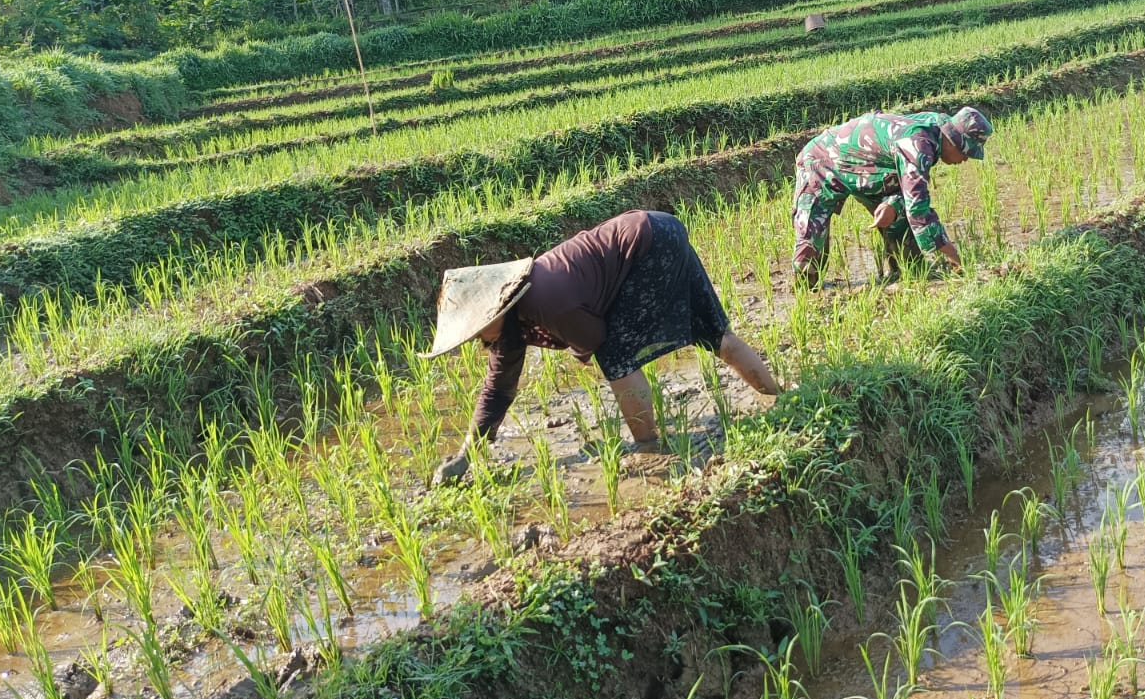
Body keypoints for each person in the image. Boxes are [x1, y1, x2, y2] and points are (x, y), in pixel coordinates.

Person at [423, 209, 779, 484]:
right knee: (714, 334)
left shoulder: (547, 300)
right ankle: (778, 398)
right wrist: (466, 454)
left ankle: (648, 447)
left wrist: (584, 347)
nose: (478, 340)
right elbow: (497, 391)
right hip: (660, 230)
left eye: (477, 329)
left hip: (647, 246)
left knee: (617, 358)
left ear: (495, 308)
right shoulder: (512, 320)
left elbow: (595, 339)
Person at [792, 106, 993, 287]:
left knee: (906, 245)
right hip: (821, 163)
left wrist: (893, 204)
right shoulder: (919, 143)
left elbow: (906, 183)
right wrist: (957, 259)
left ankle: (901, 276)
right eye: (966, 152)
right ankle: (807, 297)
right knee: (810, 246)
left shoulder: (936, 129)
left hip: (870, 172)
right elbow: (918, 210)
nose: (966, 159)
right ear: (955, 140)